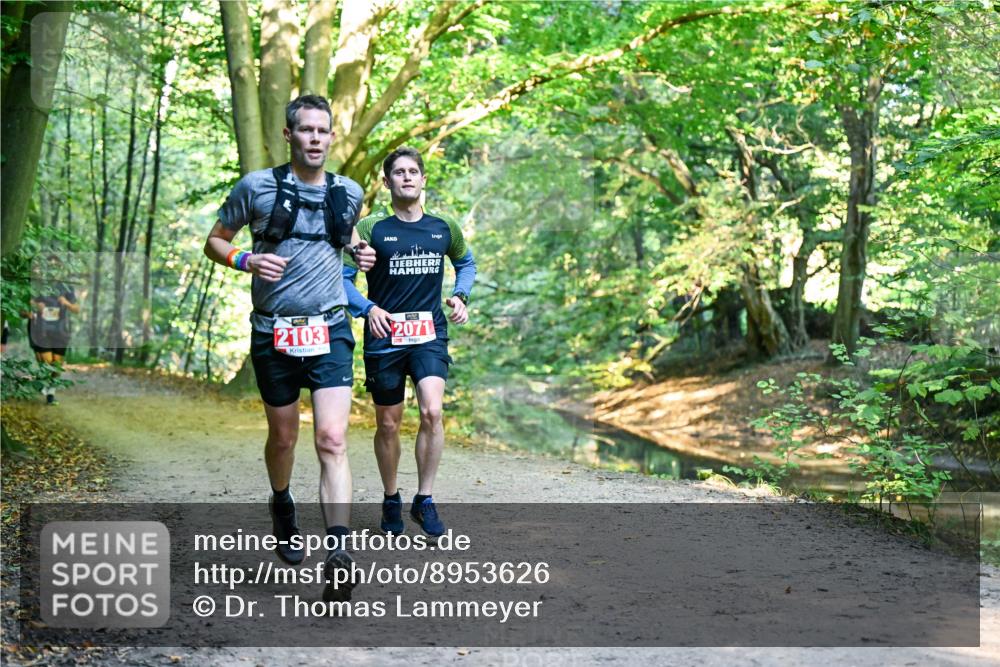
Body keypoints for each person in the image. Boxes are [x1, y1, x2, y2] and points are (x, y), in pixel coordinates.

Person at [203, 94, 376, 602]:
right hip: (274, 332)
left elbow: (344, 244)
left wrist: (360, 252)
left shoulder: (349, 191)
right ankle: (282, 500)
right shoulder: (255, 187)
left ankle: (339, 552)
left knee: (331, 439)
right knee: (283, 439)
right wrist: (244, 261)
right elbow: (215, 240)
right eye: (306, 130)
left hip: (330, 330)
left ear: (332, 136)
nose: (316, 139)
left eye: (323, 130)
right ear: (289, 134)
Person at [344, 146, 476, 538]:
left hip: (429, 335)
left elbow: (465, 263)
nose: (406, 177)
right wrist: (368, 309)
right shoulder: (369, 230)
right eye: (398, 172)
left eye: (412, 171)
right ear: (386, 182)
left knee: (433, 412)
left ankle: (425, 498)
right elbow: (342, 277)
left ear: (423, 179)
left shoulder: (444, 227)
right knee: (388, 423)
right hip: (384, 338)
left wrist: (460, 295)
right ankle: (390, 498)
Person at [27, 254, 80, 405]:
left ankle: (51, 391)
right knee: (47, 361)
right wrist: (36, 305)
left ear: (60, 268)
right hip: (42, 328)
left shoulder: (67, 286)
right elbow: (28, 301)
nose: (52, 268)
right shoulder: (40, 285)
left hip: (60, 329)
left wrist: (67, 303)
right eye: (50, 265)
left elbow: (76, 309)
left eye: (55, 266)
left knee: (57, 363)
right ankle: (43, 381)